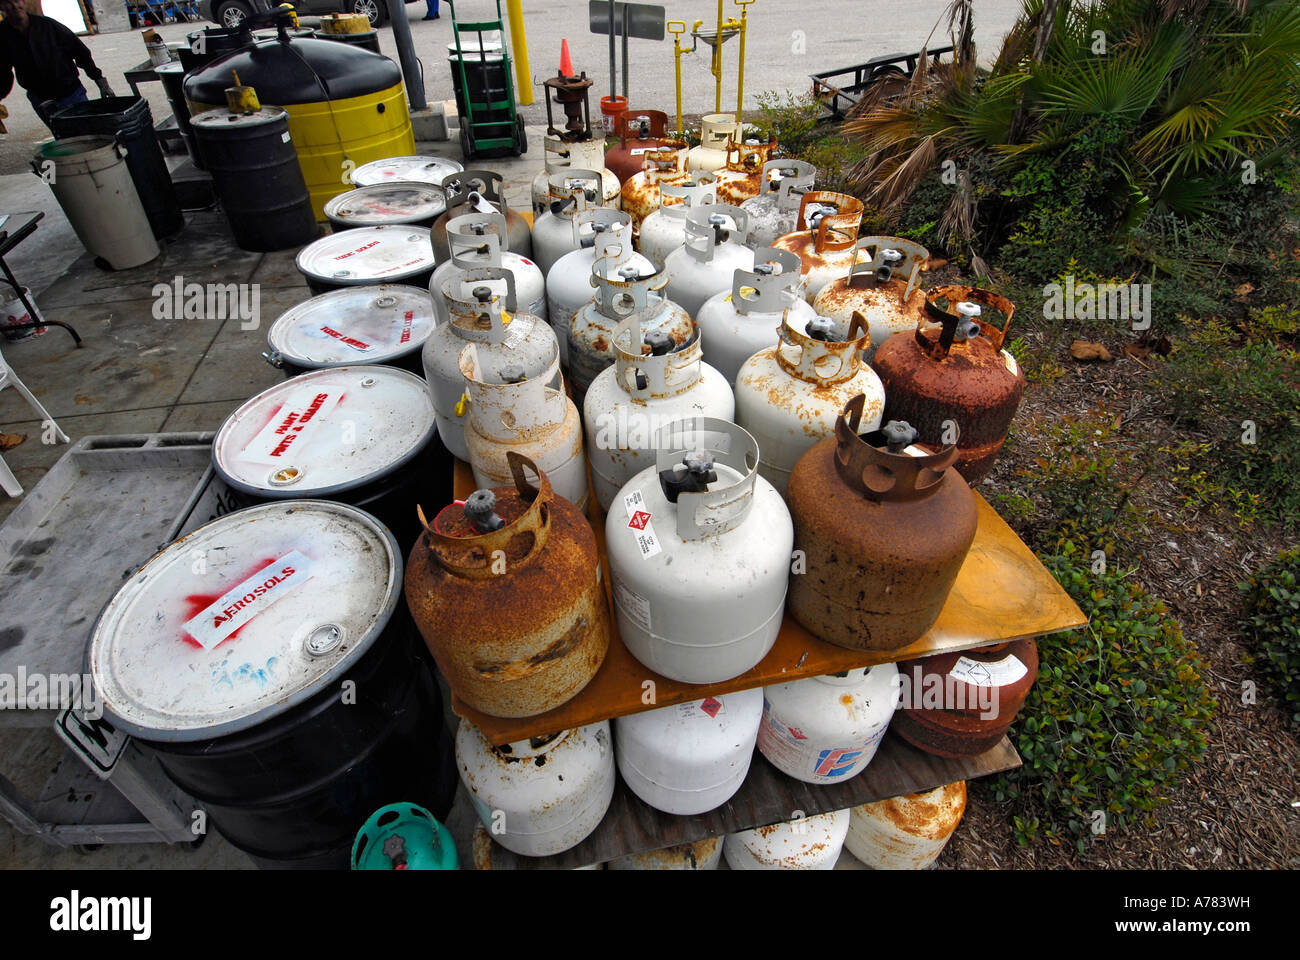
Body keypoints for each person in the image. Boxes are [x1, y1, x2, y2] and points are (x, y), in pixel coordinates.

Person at [0, 0, 114, 131]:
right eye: (8, 2)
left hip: (71, 94)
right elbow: (3, 71)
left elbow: (79, 51)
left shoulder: (48, 25)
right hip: (40, 99)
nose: (15, 6)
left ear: (24, 3)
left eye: (17, 0)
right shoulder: (3, 35)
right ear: (1, 6)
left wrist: (99, 80)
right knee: (63, 140)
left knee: (87, 135)